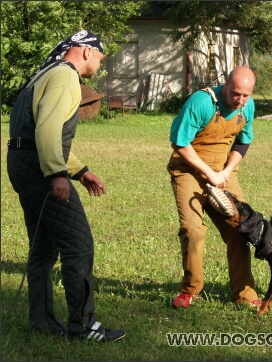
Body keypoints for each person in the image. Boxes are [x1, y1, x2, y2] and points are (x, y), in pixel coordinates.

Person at [7, 30, 125, 342]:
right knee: (79, 245)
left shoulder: (45, 73)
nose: (100, 62)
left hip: (22, 162)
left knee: (43, 248)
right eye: (100, 55)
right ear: (86, 51)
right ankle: (83, 326)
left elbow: (41, 132)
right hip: (39, 168)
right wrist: (57, 173)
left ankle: (42, 322)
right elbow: (47, 130)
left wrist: (79, 170)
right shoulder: (65, 77)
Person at [167, 66, 261, 308]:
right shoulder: (201, 102)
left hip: (222, 172)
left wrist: (225, 172)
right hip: (189, 170)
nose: (240, 100)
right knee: (193, 230)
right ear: (225, 85)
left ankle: (244, 293)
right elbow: (179, 142)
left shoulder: (246, 107)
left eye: (246, 95)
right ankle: (190, 290)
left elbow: (243, 143)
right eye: (236, 94)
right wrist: (209, 173)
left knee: (240, 229)